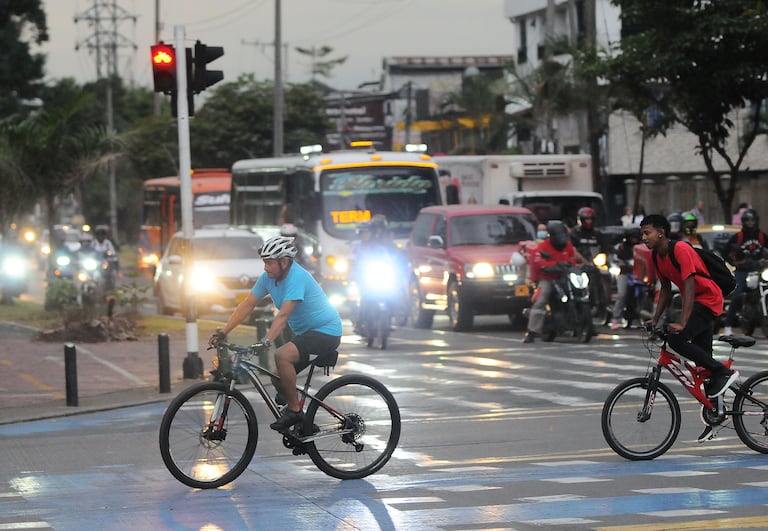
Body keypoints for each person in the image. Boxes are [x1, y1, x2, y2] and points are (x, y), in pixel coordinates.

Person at [209, 235, 343, 432]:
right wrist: (224, 331)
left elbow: (283, 316)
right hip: (307, 334)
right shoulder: (268, 279)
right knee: (276, 375)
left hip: (326, 331)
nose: (265, 267)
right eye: (264, 262)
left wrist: (266, 341)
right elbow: (247, 305)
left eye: (270, 262)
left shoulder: (297, 277)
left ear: (284, 261)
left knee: (282, 355)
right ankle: (304, 426)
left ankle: (295, 411)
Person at [641, 214, 738, 404]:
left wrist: (683, 323)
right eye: (642, 234)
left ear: (661, 233)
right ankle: (717, 412)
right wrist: (655, 319)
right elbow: (666, 289)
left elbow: (690, 285)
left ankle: (724, 372)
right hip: (696, 303)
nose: (644, 238)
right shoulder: (657, 256)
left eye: (647, 233)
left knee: (677, 339)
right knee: (704, 365)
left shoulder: (680, 249)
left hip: (708, 300)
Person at [524, 220, 586, 343]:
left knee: (581, 290)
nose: (561, 239)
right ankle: (532, 331)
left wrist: (580, 265)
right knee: (541, 301)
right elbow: (539, 262)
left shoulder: (568, 245)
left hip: (566, 276)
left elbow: (573, 259)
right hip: (549, 278)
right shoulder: (542, 247)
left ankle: (584, 322)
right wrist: (552, 265)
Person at [352, 214, 405, 334]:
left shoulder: (383, 245)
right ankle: (360, 322)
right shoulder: (359, 247)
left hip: (382, 274)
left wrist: (397, 269)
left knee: (394, 292)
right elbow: (353, 261)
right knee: (364, 298)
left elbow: (392, 258)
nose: (378, 231)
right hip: (365, 277)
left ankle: (395, 315)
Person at [722, 208, 768, 336]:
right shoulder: (738, 236)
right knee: (737, 295)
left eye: (753, 220)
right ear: (743, 222)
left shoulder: (762, 236)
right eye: (748, 220)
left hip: (760, 270)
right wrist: (734, 263)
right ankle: (728, 326)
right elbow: (725, 252)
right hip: (743, 271)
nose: (750, 223)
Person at [570, 207, 608, 312]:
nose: (589, 221)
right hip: (579, 265)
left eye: (591, 219)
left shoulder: (597, 234)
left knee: (608, 275)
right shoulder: (575, 233)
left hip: (595, 263)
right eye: (586, 219)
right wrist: (582, 260)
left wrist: (605, 257)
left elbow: (605, 248)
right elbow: (572, 250)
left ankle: (606, 301)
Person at [610, 227, 641, 330]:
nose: (634, 240)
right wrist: (622, 264)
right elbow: (615, 259)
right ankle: (615, 318)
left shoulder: (643, 247)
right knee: (622, 295)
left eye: (636, 238)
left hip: (640, 275)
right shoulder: (621, 247)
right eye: (632, 238)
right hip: (625, 274)